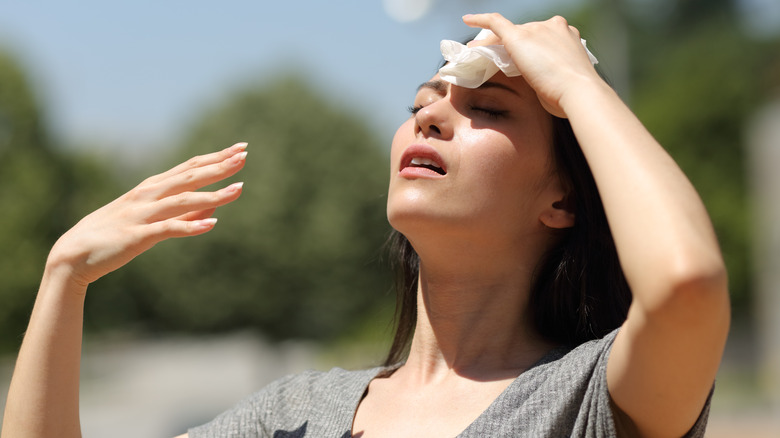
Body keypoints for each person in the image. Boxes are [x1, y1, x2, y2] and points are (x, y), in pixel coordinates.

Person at [1, 13, 729, 438]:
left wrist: (576, 81)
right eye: (422, 100)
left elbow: (685, 284)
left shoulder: (590, 398)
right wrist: (65, 276)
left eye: (491, 109)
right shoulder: (295, 415)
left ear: (563, 202)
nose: (432, 114)